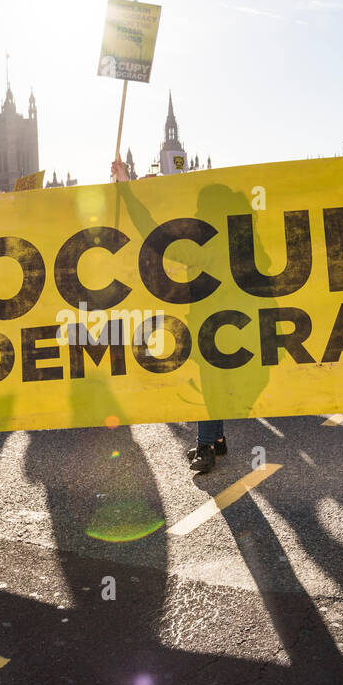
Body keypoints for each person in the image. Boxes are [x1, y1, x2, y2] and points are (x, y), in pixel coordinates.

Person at [110, 157, 228, 472]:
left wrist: (128, 189)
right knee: (214, 378)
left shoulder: (200, 244)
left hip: (213, 321)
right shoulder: (230, 234)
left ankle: (207, 447)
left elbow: (156, 235)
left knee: (209, 382)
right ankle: (216, 438)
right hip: (224, 319)